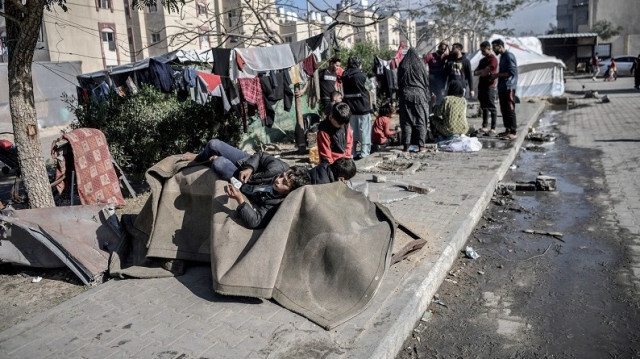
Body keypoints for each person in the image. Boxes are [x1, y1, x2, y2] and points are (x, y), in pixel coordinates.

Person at [180, 139, 310, 228]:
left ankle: (214, 161)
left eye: (284, 183)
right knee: (214, 144)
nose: (279, 180)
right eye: (282, 176)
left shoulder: (277, 203)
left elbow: (256, 222)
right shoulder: (278, 167)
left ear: (290, 192)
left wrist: (240, 200)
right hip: (246, 164)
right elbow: (261, 156)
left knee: (218, 163)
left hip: (243, 183)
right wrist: (249, 168)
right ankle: (198, 157)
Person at [398, 48, 431, 152]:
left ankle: (406, 148)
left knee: (406, 122)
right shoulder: (420, 64)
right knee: (421, 120)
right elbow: (426, 81)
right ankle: (421, 146)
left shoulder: (403, 65)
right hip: (419, 95)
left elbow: (398, 82)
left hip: (405, 95)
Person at [342, 55, 373, 160]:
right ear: (358, 64)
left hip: (350, 109)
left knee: (352, 132)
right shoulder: (362, 76)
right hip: (363, 108)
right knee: (364, 131)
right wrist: (372, 106)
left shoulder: (344, 76)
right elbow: (370, 90)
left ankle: (353, 152)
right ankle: (364, 153)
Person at [491, 39, 518, 140]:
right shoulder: (502, 57)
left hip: (509, 86)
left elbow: (511, 72)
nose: (493, 50)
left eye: (494, 47)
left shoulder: (509, 56)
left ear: (500, 46)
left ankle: (513, 131)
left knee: (510, 109)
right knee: (504, 109)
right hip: (502, 87)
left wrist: (497, 75)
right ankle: (507, 130)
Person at [474, 41, 498, 134]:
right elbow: (476, 72)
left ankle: (493, 127)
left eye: (483, 50)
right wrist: (483, 71)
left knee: (491, 106)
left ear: (488, 48)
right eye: (481, 50)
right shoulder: (482, 61)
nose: (482, 52)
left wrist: (483, 72)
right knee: (484, 107)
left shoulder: (493, 59)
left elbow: (487, 71)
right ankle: (484, 126)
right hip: (482, 85)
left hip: (489, 86)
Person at [424, 41, 449, 107]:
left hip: (442, 80)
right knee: (432, 96)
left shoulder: (446, 56)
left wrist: (448, 48)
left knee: (440, 97)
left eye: (445, 49)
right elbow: (421, 64)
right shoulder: (431, 56)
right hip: (432, 80)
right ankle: (431, 111)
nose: (443, 50)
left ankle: (439, 111)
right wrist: (427, 75)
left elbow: (453, 56)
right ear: (439, 47)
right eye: (442, 48)